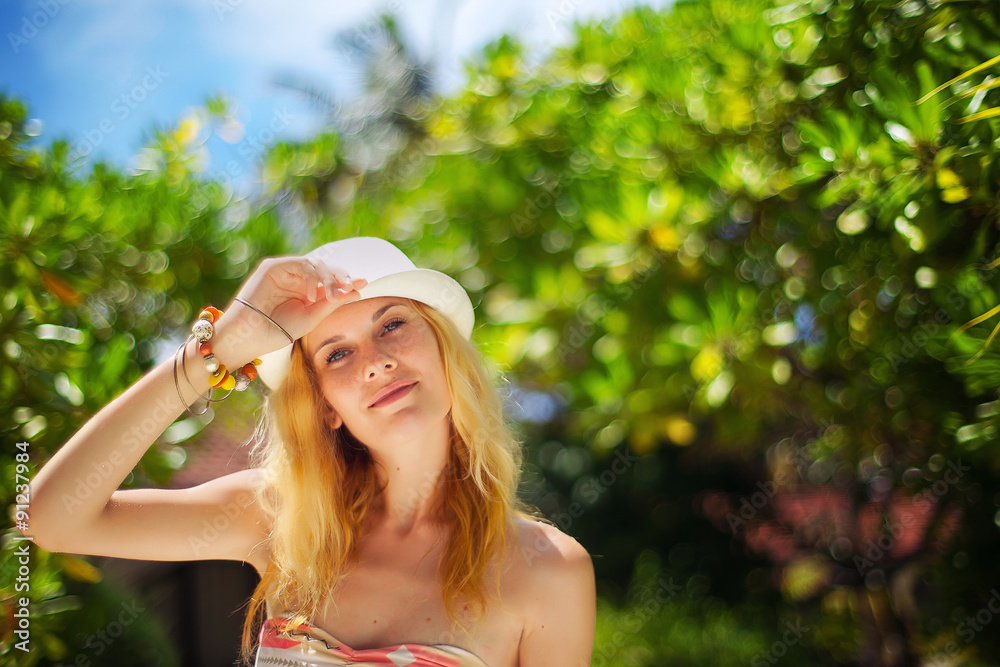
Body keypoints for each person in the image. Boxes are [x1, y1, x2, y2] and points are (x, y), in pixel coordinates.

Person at [26, 236, 596, 667]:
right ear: (326, 406)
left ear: (444, 346)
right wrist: (219, 349)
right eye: (337, 354)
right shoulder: (279, 519)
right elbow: (49, 519)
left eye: (392, 325)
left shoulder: (549, 571)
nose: (375, 362)